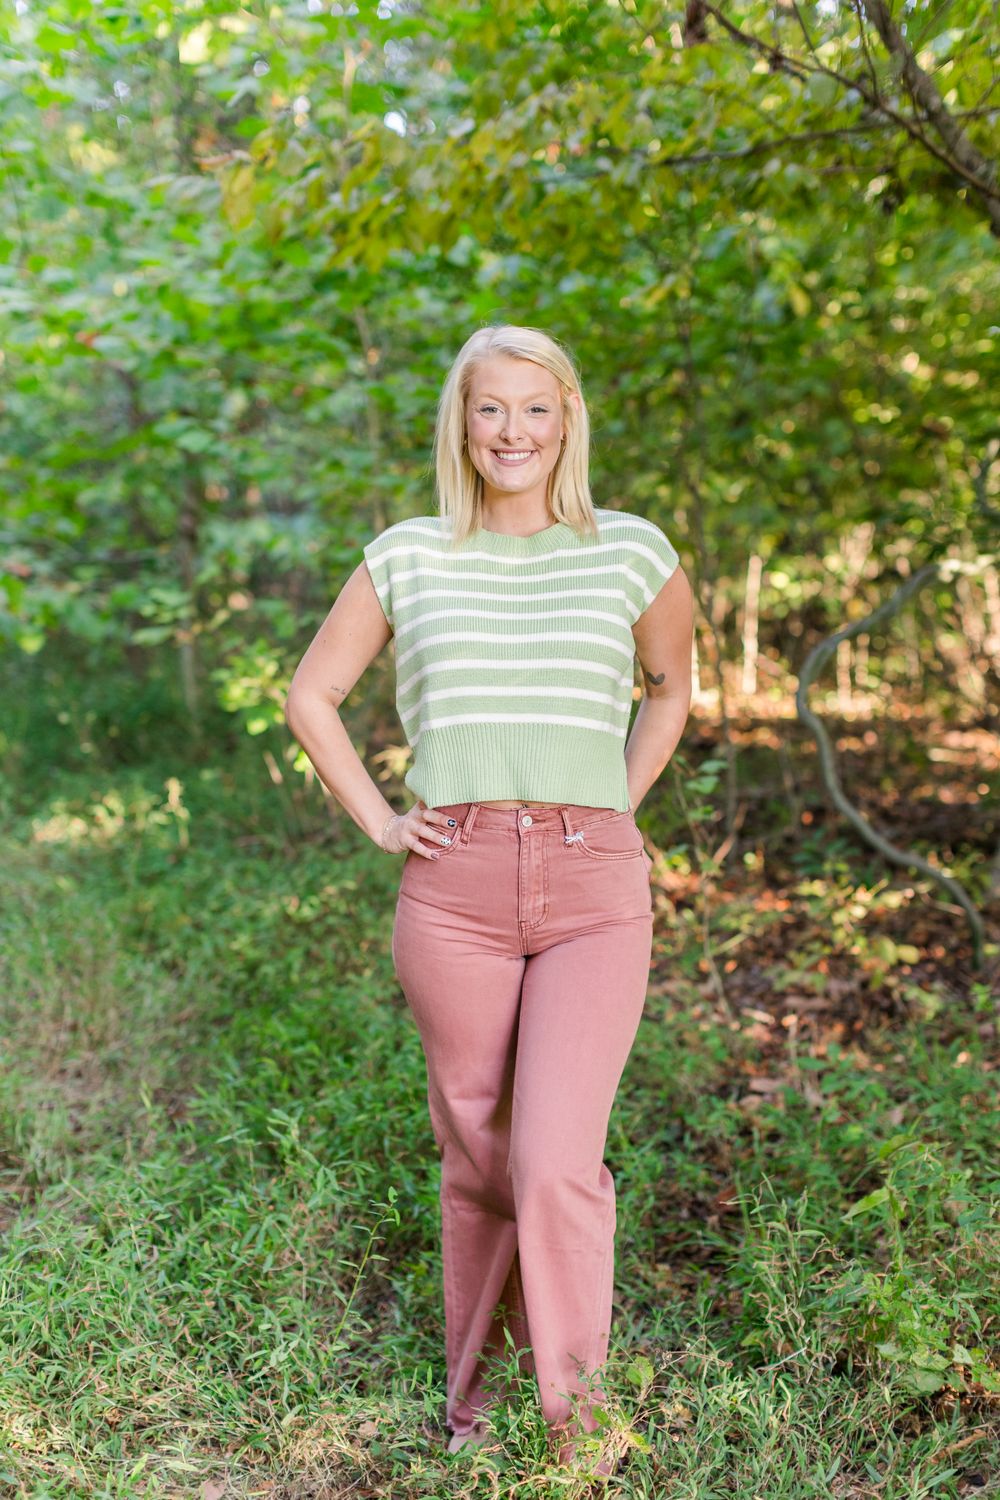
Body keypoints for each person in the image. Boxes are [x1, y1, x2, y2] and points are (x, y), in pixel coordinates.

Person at [284, 324, 693, 1476]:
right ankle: (476, 1410)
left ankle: (575, 1438)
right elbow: (313, 694)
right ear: (459, 425)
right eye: (489, 410)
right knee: (479, 1159)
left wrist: (608, 801)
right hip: (452, 886)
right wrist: (379, 818)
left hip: (590, 883)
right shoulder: (408, 554)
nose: (512, 432)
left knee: (555, 1157)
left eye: (536, 410)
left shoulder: (630, 550)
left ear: (567, 423)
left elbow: (669, 689)